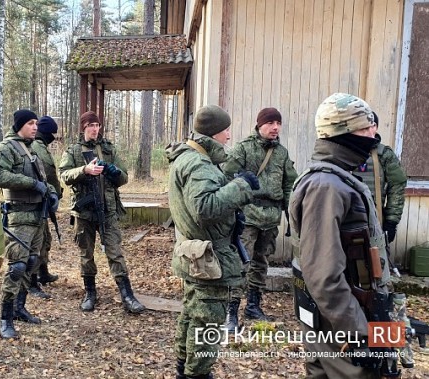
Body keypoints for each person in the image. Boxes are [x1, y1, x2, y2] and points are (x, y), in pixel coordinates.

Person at [289, 93, 394, 378]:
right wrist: (359, 334)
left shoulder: (339, 178)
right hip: (348, 319)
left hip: (364, 309)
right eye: (364, 129)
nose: (373, 135)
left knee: (389, 367)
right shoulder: (327, 186)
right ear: (342, 133)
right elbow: (323, 276)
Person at [167, 105, 258, 379]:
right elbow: (205, 208)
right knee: (207, 320)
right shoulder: (197, 163)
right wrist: (241, 186)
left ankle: (184, 370)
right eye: (226, 130)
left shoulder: (189, 157)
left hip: (197, 253)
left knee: (192, 314)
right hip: (209, 258)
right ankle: (197, 373)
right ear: (215, 132)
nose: (229, 136)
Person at [59, 111, 145, 314]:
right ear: (83, 127)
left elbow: (123, 177)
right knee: (86, 254)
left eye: (97, 125)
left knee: (115, 252)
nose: (95, 129)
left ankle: (127, 295)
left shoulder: (109, 149)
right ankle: (90, 293)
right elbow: (64, 175)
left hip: (107, 209)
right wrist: (84, 171)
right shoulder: (73, 151)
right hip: (84, 212)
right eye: (90, 125)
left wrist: (114, 171)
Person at [222, 108, 297, 329]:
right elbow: (227, 177)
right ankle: (231, 312)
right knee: (240, 263)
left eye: (278, 123)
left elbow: (289, 185)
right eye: (271, 123)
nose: (275, 127)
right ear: (260, 125)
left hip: (271, 217)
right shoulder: (244, 149)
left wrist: (291, 214)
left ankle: (254, 306)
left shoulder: (282, 153)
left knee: (261, 263)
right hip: (248, 215)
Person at [0, 109, 58, 339]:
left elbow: (43, 180)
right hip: (18, 217)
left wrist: (51, 193)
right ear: (19, 124)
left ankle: (19, 308)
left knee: (31, 262)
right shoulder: (6, 148)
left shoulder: (31, 151)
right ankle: (5, 318)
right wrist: (31, 184)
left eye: (36, 123)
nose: (35, 127)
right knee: (17, 266)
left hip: (37, 216)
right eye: (30, 123)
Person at [353, 112, 407, 251]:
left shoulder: (384, 154)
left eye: (367, 126)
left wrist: (391, 221)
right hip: (347, 217)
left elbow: (397, 185)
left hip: (375, 220)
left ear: (375, 127)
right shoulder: (344, 152)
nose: (362, 130)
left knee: (376, 262)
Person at [27, 115, 63, 299]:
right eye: (52, 133)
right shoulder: (35, 148)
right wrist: (54, 192)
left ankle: (43, 273)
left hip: (45, 200)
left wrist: (56, 192)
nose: (53, 137)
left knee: (45, 239)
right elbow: (45, 175)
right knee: (37, 243)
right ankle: (32, 282)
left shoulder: (41, 147)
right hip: (36, 202)